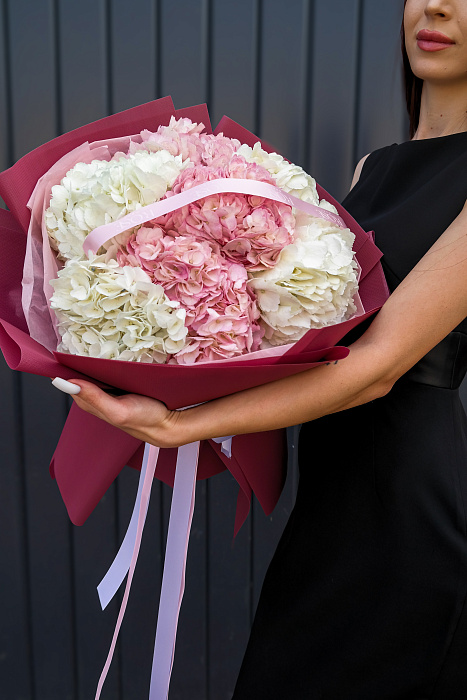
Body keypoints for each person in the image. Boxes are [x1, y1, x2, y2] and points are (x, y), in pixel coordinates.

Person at [57, 0, 467, 696]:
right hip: (336, 495)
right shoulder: (375, 166)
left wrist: (182, 424)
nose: (435, 5)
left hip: (409, 505)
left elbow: (377, 367)